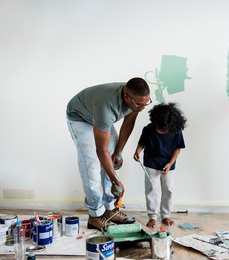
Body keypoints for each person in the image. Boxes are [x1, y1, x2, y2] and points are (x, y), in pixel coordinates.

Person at [66, 77, 152, 230]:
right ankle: (95, 215)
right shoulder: (105, 107)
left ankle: (109, 209)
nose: (142, 107)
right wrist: (115, 180)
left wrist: (119, 151)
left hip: (96, 116)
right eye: (139, 104)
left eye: (146, 103)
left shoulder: (137, 101)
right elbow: (101, 151)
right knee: (91, 165)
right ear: (126, 97)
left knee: (112, 159)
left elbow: (128, 123)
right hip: (80, 117)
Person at [133, 103, 186, 228]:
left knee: (168, 189)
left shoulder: (176, 131)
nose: (161, 131)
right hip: (151, 162)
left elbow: (178, 149)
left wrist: (170, 164)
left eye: (164, 129)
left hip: (168, 164)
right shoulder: (148, 129)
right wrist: (138, 151)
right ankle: (152, 216)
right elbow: (142, 143)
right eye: (158, 128)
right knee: (152, 189)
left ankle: (165, 215)